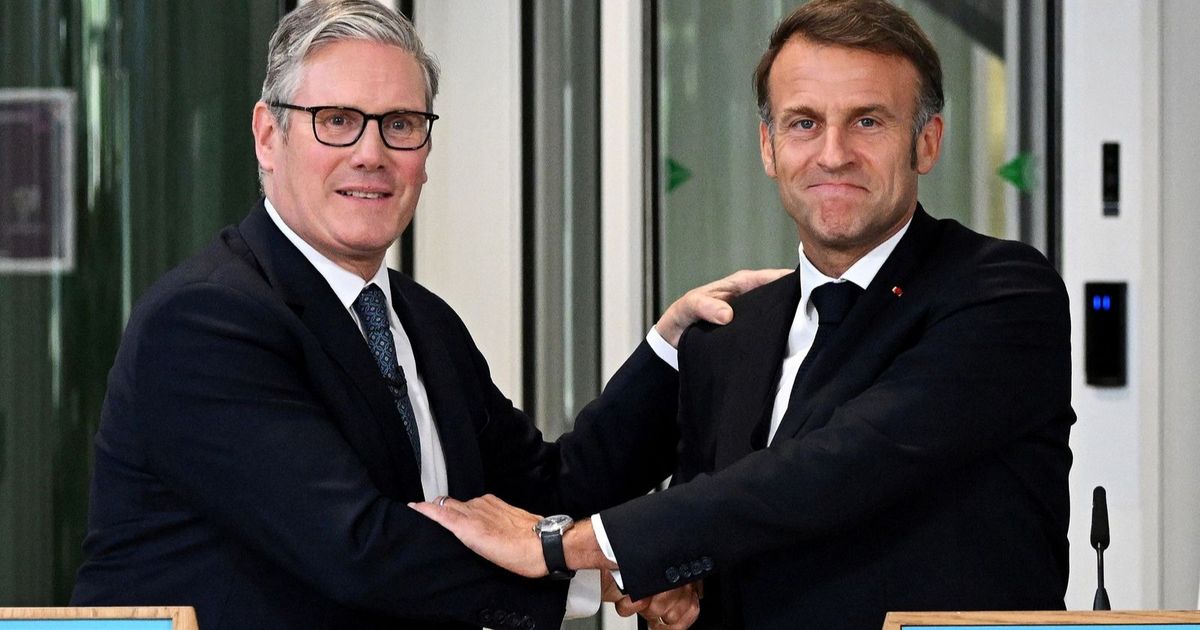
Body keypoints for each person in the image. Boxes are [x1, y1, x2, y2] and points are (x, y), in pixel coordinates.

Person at [69, 2, 780, 628]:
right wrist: (603, 572)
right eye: (337, 121)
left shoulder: (418, 319)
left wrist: (674, 351)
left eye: (401, 125)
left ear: (426, 150)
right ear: (267, 135)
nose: (371, 154)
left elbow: (548, 491)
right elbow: (358, 549)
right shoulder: (206, 320)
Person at [413, 1, 1076, 628]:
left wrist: (564, 545)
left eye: (868, 121)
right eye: (804, 123)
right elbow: (715, 531)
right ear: (768, 146)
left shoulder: (1001, 295)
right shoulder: (730, 334)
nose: (833, 153)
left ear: (926, 143)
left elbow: (832, 469)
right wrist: (685, 592)